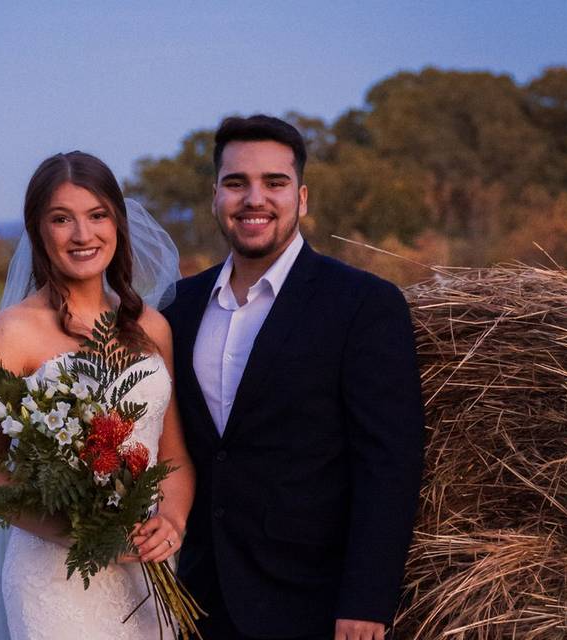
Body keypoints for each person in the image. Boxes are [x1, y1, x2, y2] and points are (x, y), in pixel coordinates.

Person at [161, 115, 424, 640]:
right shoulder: (178, 307)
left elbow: (389, 462)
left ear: (301, 198)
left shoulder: (363, 304)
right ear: (215, 196)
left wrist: (367, 599)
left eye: (274, 183)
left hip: (313, 602)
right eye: (236, 183)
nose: (254, 198)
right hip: (197, 598)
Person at [0, 151, 194, 639]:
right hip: (53, 581)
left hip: (147, 571)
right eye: (61, 219)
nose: (83, 235)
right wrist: (84, 534)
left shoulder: (152, 327)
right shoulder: (13, 332)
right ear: (38, 230)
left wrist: (171, 519)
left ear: (118, 223)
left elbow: (172, 457)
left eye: (97, 215)